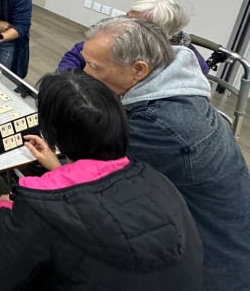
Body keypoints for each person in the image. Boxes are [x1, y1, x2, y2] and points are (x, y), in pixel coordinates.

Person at [0, 70, 203, 291]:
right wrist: (58, 168)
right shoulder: (156, 179)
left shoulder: (38, 201)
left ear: (53, 134)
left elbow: (4, 275)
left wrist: (2, 206)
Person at [81, 16, 250, 291]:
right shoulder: (172, 82)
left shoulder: (158, 124)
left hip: (211, 267)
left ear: (138, 69)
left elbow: (95, 183)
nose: (85, 73)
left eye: (94, 66)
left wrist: (55, 167)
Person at [58, 0, 209, 74]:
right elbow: (76, 54)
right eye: (127, 17)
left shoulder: (188, 66)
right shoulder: (118, 34)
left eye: (136, 24)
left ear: (158, 32)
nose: (126, 24)